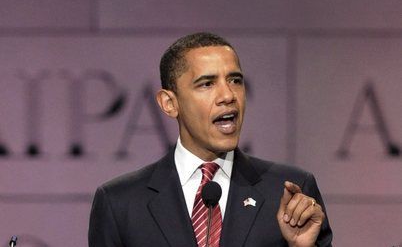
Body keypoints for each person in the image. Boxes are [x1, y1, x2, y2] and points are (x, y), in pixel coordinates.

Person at [88, 32, 332, 247]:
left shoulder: (289, 193)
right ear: (170, 103)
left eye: (235, 80)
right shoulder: (120, 203)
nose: (228, 95)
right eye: (207, 84)